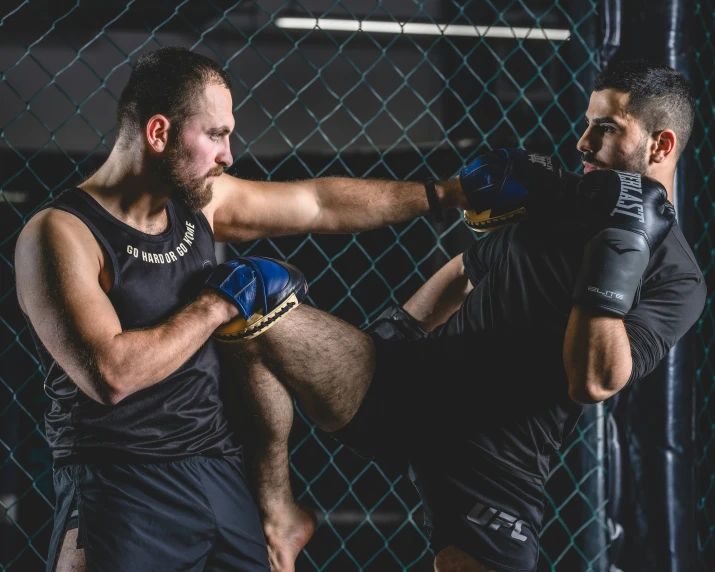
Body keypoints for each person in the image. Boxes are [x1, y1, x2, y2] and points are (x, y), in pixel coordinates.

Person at [206, 60, 707, 572]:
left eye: (606, 129)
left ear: (660, 146)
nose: (583, 143)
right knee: (251, 305)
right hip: (410, 382)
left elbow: (593, 381)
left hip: (495, 458)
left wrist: (618, 248)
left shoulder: (678, 279)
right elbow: (466, 271)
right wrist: (398, 329)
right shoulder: (560, 199)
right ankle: (280, 516)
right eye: (587, 123)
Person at [14, 46, 470, 572]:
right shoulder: (61, 234)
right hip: (121, 483)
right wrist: (217, 303)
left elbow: (319, 203)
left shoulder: (200, 204)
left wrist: (445, 193)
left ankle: (277, 514)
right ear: (158, 134)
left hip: (218, 475)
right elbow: (111, 374)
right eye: (215, 135)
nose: (229, 154)